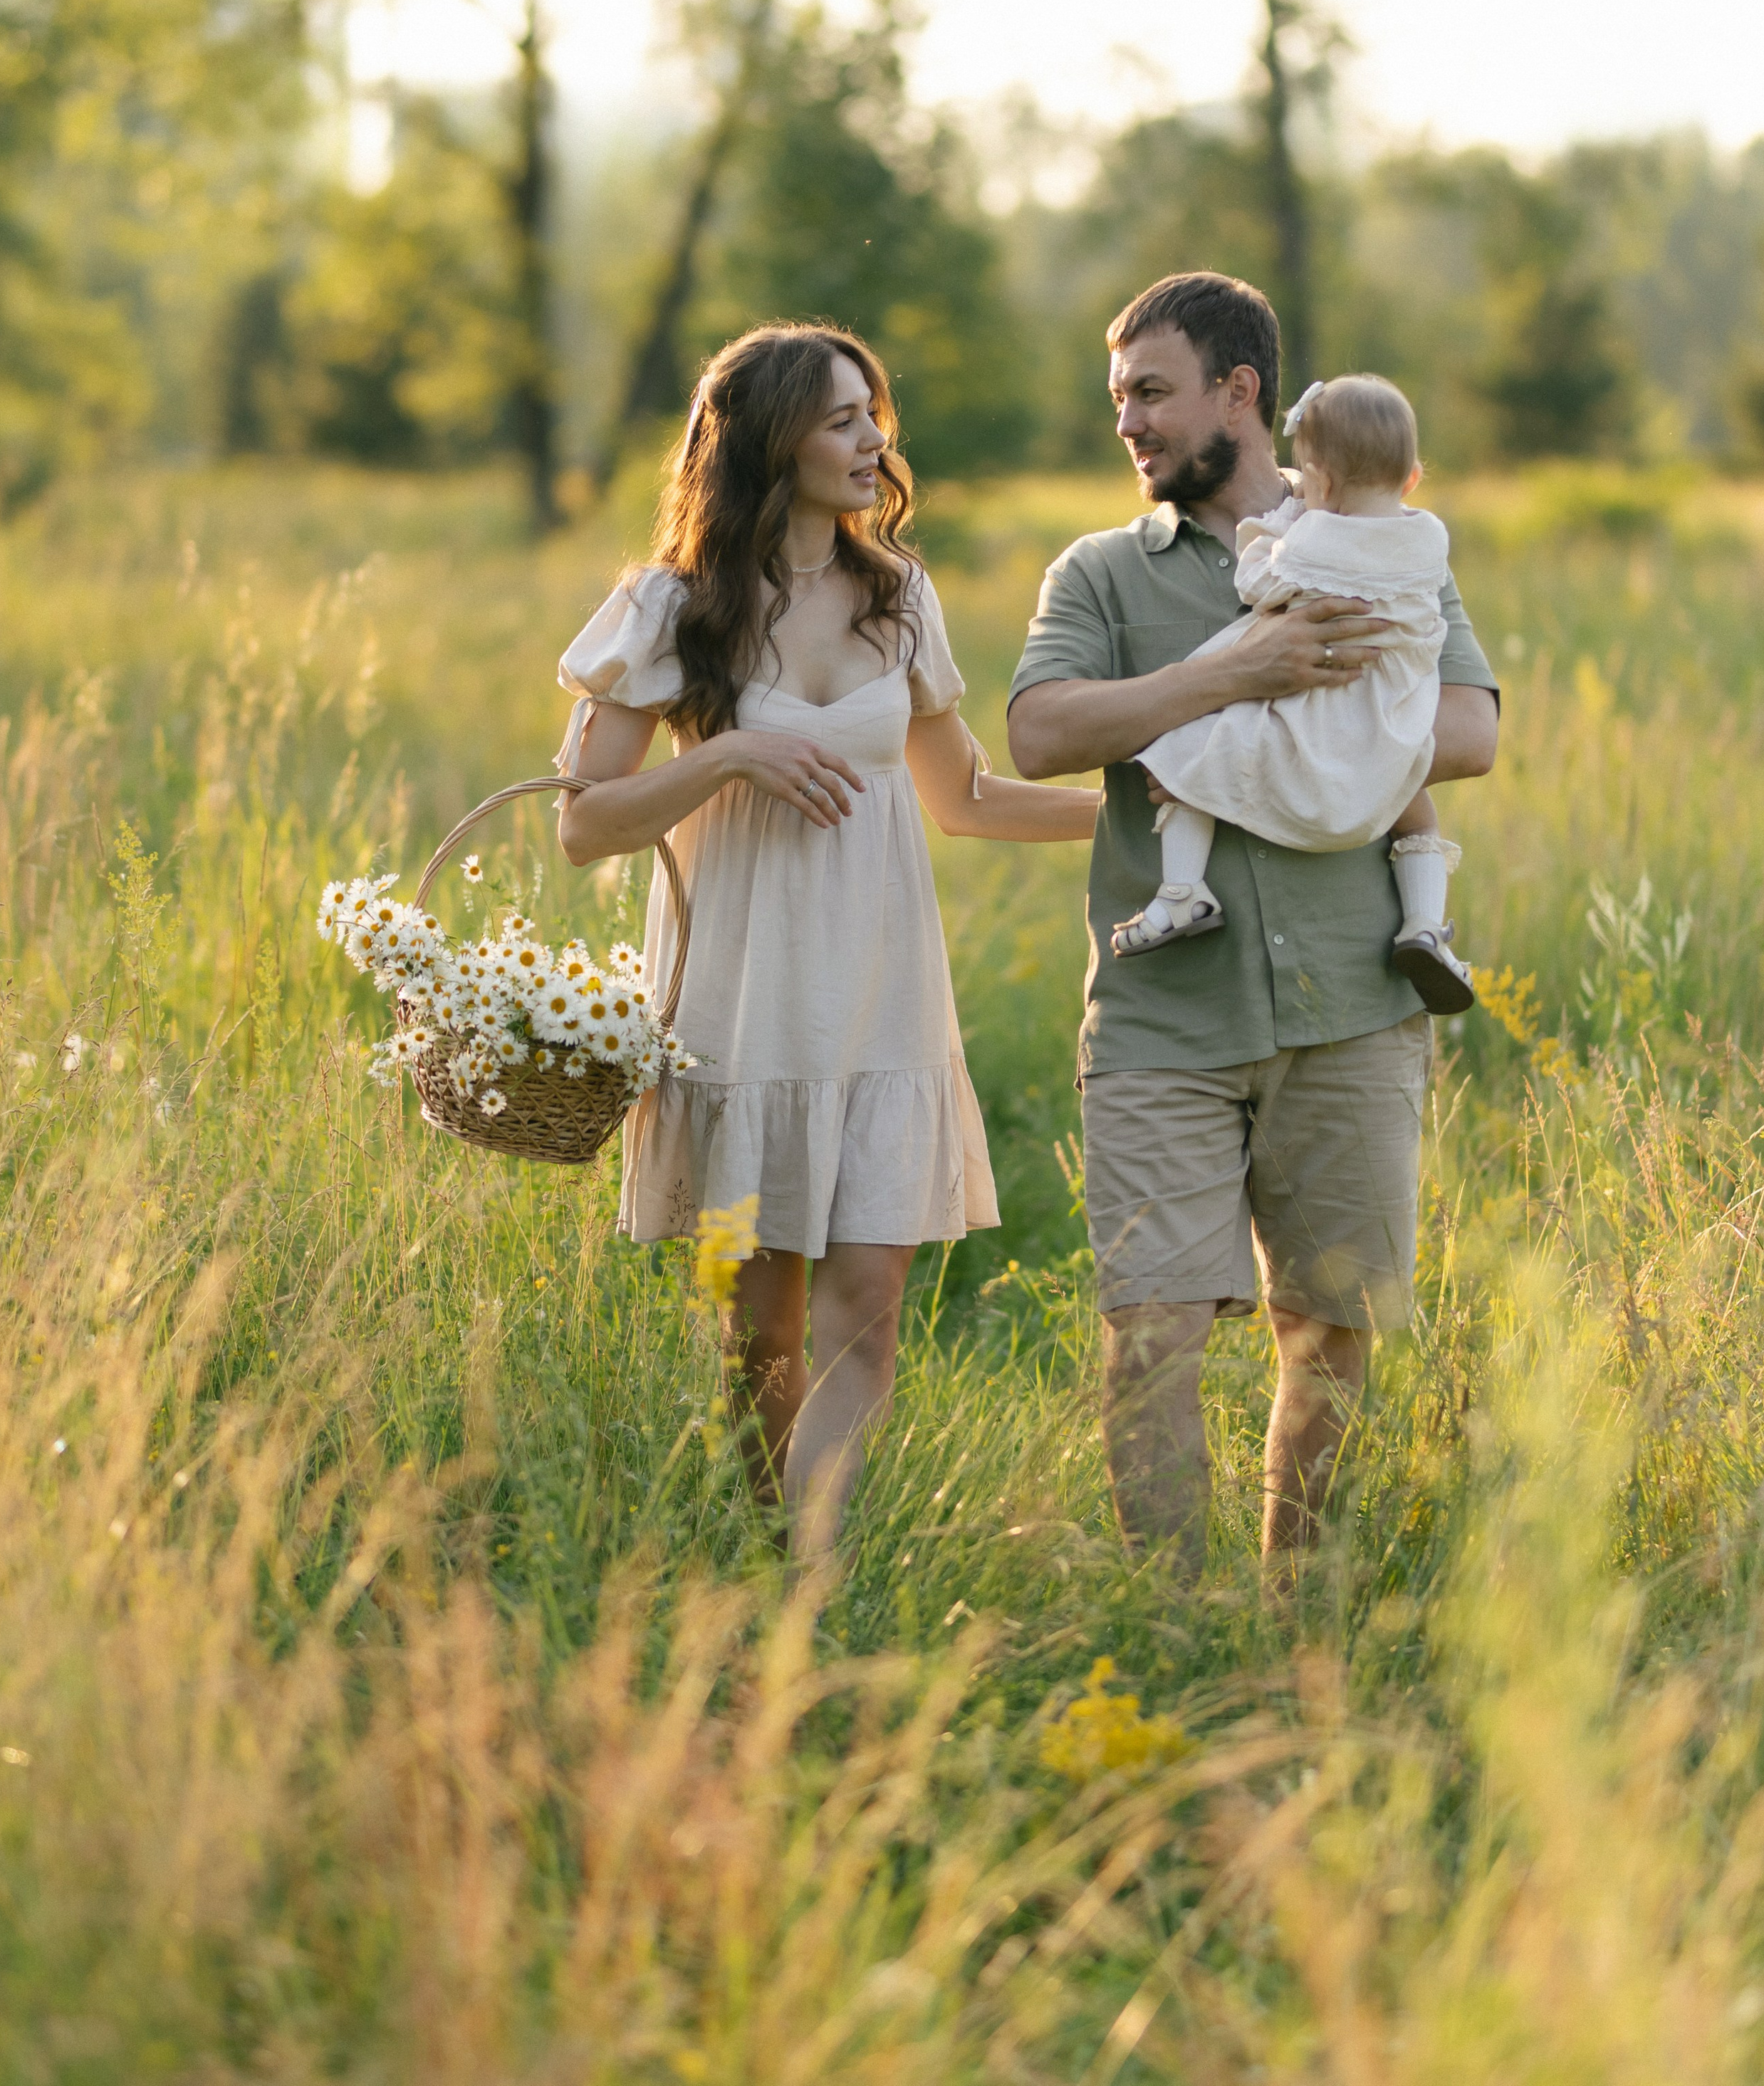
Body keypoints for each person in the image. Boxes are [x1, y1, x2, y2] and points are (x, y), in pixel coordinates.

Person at [555, 323, 1099, 1564]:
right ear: (769, 439)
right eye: (843, 418)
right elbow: (583, 828)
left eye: (876, 415)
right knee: (763, 1339)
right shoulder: (668, 606)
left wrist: (1141, 812)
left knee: (869, 1305)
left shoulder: (899, 597)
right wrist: (735, 751)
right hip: (744, 999)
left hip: (879, 988)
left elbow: (964, 798)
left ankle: (814, 1576)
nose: (874, 441)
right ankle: (764, 1562)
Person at [1006, 273, 1498, 1592]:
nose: (1130, 423)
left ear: (1242, 392)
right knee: (1150, 1335)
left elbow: (1472, 732)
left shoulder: (1386, 540)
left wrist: (1297, 744)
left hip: (1354, 1006)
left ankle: (1292, 1622)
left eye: (1152, 392)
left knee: (1327, 1334)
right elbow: (1043, 733)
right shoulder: (1103, 574)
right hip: (1167, 1019)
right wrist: (1236, 677)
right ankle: (1176, 1630)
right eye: (1119, 399)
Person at [1112, 370, 1474, 1018]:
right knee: (1415, 812)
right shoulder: (1426, 539)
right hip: (1391, 713)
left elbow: (1260, 586)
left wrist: (1274, 526)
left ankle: (1182, 889)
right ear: (1413, 476)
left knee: (1183, 759)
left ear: (1323, 485)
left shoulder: (1311, 538)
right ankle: (1424, 923)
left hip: (1316, 708)